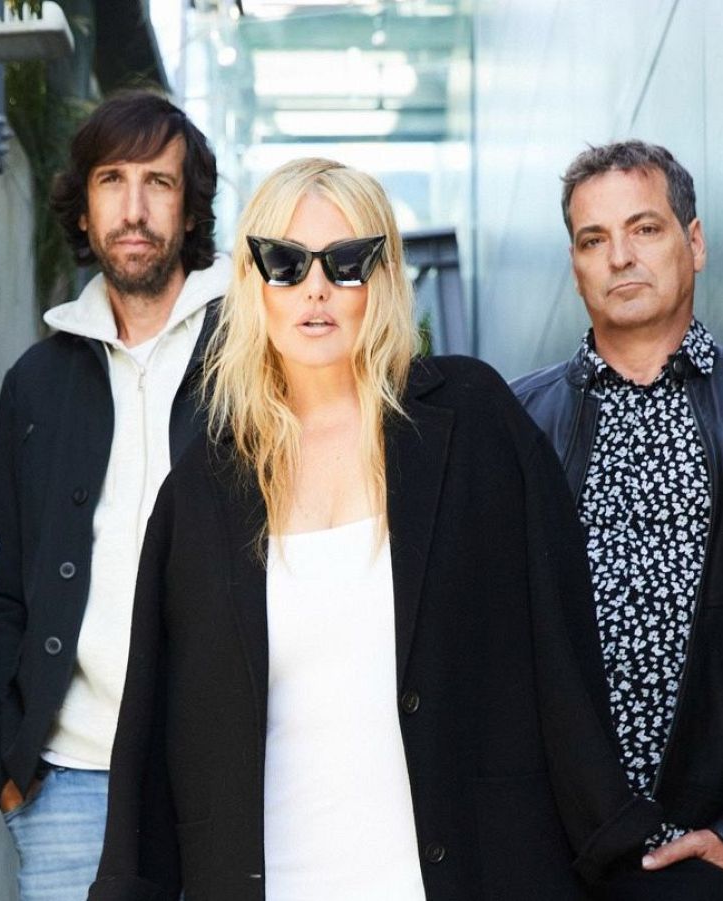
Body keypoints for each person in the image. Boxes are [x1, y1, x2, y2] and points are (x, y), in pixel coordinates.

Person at [89, 157, 660, 901]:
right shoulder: (204, 488)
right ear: (253, 283)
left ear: (383, 275)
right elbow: (156, 732)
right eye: (285, 263)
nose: (316, 288)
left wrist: (620, 844)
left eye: (345, 262)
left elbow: (563, 650)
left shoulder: (474, 420)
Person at [512, 140, 723, 900]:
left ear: (694, 243)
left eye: (645, 229)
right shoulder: (520, 421)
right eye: (594, 239)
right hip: (545, 853)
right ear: (575, 263)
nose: (620, 256)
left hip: (697, 852)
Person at [0, 91, 231, 900]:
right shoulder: (37, 381)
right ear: (82, 210)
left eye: (159, 182)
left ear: (190, 210)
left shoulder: (252, 353)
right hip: (70, 780)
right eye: (111, 180)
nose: (133, 208)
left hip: (227, 772)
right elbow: (7, 577)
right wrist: (4, 752)